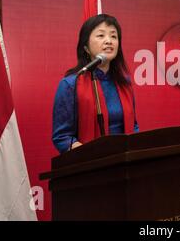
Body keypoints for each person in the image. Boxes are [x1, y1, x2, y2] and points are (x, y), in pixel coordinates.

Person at [52, 14, 139, 154]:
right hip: (90, 165)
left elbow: (133, 126)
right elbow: (62, 137)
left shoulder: (125, 84)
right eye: (101, 35)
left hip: (125, 162)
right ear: (86, 47)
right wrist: (90, 155)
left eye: (113, 36)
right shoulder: (70, 85)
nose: (108, 41)